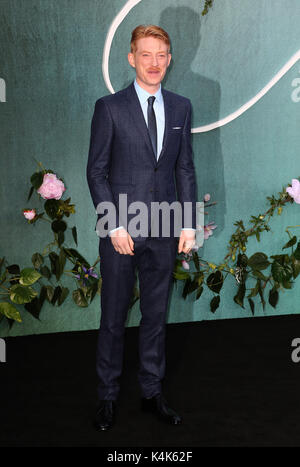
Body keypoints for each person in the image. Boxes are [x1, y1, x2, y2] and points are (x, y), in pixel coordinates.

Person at [86, 24, 197, 431]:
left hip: (166, 229)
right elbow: (96, 172)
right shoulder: (109, 107)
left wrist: (188, 224)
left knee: (155, 316)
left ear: (169, 59)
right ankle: (107, 397)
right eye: (145, 55)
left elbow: (184, 167)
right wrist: (114, 225)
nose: (154, 63)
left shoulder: (182, 107)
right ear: (131, 58)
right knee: (114, 317)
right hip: (120, 231)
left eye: (161, 55)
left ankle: (152, 392)